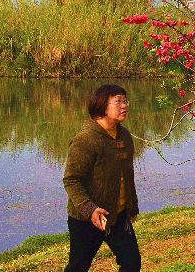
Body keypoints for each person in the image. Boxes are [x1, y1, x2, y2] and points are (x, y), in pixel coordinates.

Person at [63, 84, 140, 272]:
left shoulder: (124, 136)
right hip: (87, 219)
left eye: (125, 101)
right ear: (101, 106)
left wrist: (132, 206)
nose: (124, 106)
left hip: (118, 215)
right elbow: (71, 180)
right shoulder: (86, 139)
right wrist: (90, 210)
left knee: (131, 263)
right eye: (118, 101)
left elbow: (127, 174)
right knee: (78, 267)